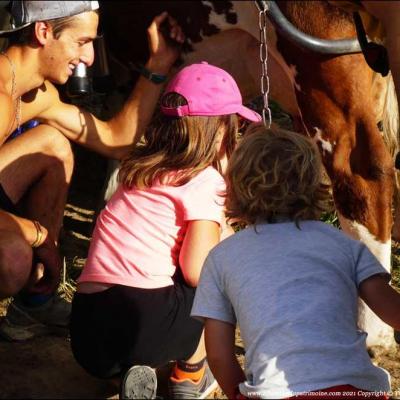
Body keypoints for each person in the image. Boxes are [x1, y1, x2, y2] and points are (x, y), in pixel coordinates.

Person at [69, 62, 261, 399]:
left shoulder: (137, 170)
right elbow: (197, 270)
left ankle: (134, 374)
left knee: (158, 278)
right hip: (146, 324)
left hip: (88, 335)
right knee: (219, 275)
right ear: (218, 131)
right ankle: (190, 376)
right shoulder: (204, 180)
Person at [0, 0, 184, 341]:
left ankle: (33, 305)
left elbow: (115, 141)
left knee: (52, 142)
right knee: (12, 258)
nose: (87, 58)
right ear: (43, 32)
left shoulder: (38, 96)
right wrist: (39, 236)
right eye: (82, 42)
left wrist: (158, 63)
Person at [191, 125, 400, 400]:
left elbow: (218, 355)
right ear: (315, 184)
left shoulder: (222, 257)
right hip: (356, 390)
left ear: (235, 188)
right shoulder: (343, 244)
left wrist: (238, 393)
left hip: (275, 393)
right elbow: (393, 312)